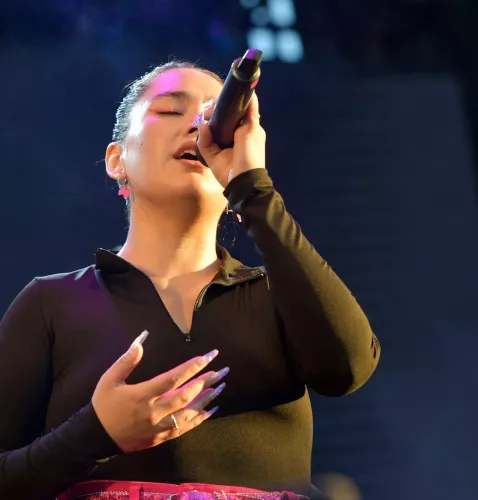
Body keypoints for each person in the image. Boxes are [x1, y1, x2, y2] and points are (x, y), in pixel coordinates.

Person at [0, 60, 380, 500]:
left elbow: (347, 369)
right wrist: (95, 433)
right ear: (117, 159)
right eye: (170, 111)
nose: (199, 126)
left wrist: (253, 187)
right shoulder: (52, 303)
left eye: (213, 115)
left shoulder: (278, 294)